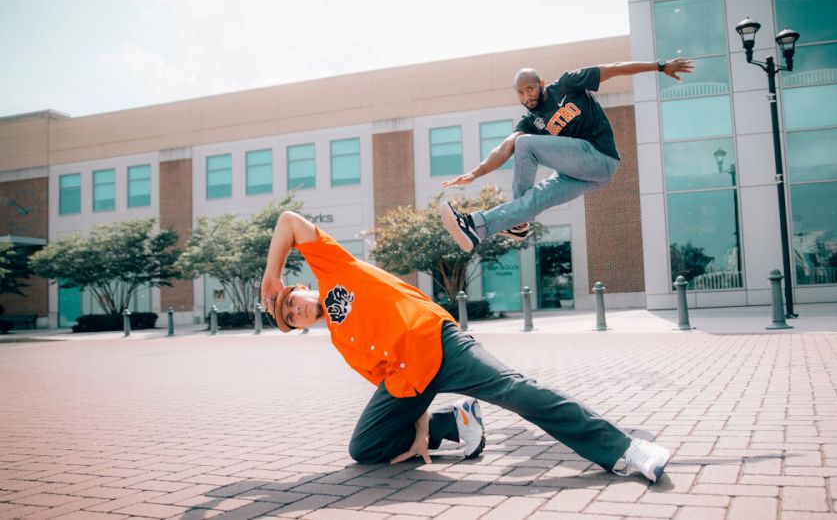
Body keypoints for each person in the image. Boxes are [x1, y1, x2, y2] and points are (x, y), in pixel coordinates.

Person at [260, 210, 672, 482]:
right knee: (363, 447)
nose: (295, 309)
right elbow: (396, 382)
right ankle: (455, 423)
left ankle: (628, 449)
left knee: (515, 389)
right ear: (297, 327)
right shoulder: (341, 341)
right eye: (289, 316)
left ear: (303, 288)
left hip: (439, 342)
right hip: (415, 380)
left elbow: (289, 221)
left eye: (292, 300)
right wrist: (423, 427)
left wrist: (271, 276)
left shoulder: (336, 268)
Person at [439, 58, 694, 252]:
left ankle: (518, 219)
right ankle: (478, 227)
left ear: (540, 84)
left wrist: (660, 66)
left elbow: (613, 68)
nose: (526, 96)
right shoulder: (531, 121)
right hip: (585, 176)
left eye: (530, 89)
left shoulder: (568, 84)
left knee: (527, 145)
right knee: (535, 196)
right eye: (520, 93)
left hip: (600, 157)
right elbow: (504, 148)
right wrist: (475, 173)